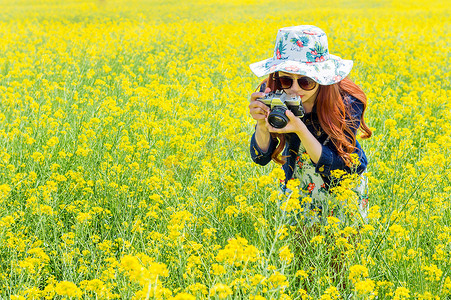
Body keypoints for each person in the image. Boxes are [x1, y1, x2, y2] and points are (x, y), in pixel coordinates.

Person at [248, 25, 372, 226]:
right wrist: (262, 125)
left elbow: (339, 171)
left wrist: (300, 129)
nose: (295, 89)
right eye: (287, 79)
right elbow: (260, 157)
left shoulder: (346, 101)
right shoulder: (274, 90)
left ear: (321, 78)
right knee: (301, 251)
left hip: (342, 184)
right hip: (298, 181)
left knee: (341, 253)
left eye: (306, 81)